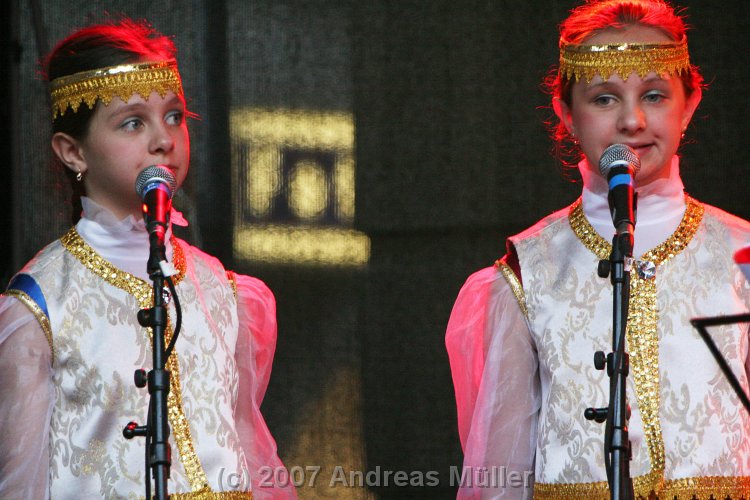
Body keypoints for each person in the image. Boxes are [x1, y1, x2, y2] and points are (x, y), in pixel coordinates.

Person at [446, 0, 750, 498]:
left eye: (654, 95)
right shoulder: (528, 270)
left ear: (689, 106)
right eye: (604, 99)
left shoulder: (742, 253)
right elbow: (502, 474)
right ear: (566, 114)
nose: (632, 120)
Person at [0, 19, 296, 499]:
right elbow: (20, 482)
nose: (164, 139)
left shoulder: (224, 290)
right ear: (73, 151)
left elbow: (249, 445)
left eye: (174, 116)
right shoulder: (41, 304)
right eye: (133, 123)